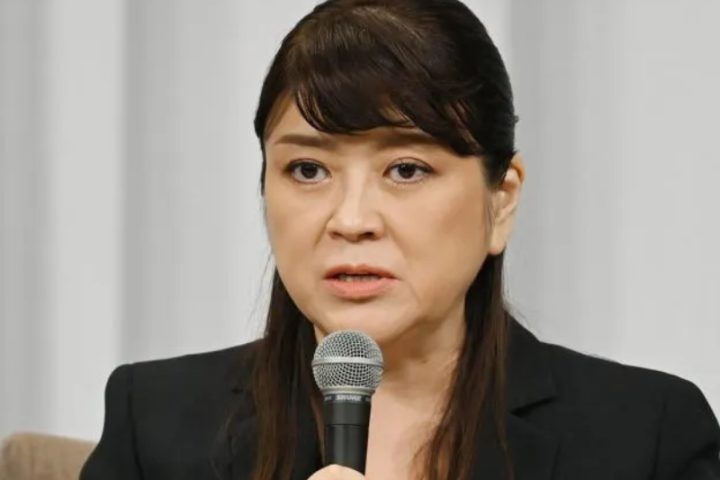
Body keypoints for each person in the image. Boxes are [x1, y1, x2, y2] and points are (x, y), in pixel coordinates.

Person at [80, 0, 720, 479]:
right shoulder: (156, 422)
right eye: (308, 170)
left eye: (406, 169)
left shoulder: (645, 437)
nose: (351, 218)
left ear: (500, 199)